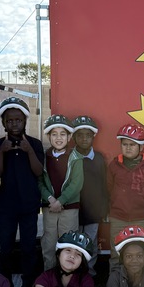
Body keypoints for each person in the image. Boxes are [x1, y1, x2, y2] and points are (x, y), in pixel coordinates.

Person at [0, 97, 45, 287]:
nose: (14, 124)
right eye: (10, 121)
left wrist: (29, 151)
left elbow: (39, 171)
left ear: (25, 121)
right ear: (4, 123)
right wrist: (2, 153)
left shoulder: (35, 144)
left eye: (18, 120)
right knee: (4, 247)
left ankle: (28, 285)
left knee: (28, 247)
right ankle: (4, 284)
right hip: (5, 206)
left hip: (29, 205)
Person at [38, 115, 84, 269]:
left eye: (62, 134)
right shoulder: (44, 157)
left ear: (69, 136)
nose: (58, 138)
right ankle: (49, 274)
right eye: (54, 134)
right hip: (49, 206)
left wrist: (61, 201)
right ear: (48, 136)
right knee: (49, 242)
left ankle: (68, 275)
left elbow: (76, 183)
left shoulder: (76, 158)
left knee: (69, 242)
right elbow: (40, 181)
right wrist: (50, 199)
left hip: (69, 207)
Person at [107, 123, 144, 233]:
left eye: (132, 145)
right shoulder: (114, 164)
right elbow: (108, 187)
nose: (128, 148)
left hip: (142, 218)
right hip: (118, 217)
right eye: (125, 144)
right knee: (117, 248)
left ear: (141, 146)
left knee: (139, 248)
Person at [71, 115, 108, 274]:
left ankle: (89, 272)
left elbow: (104, 185)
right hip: (74, 209)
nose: (84, 139)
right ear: (73, 137)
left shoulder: (99, 159)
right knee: (75, 241)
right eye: (80, 135)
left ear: (93, 137)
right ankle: (75, 271)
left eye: (88, 135)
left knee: (91, 241)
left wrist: (104, 208)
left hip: (93, 210)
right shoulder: (70, 158)